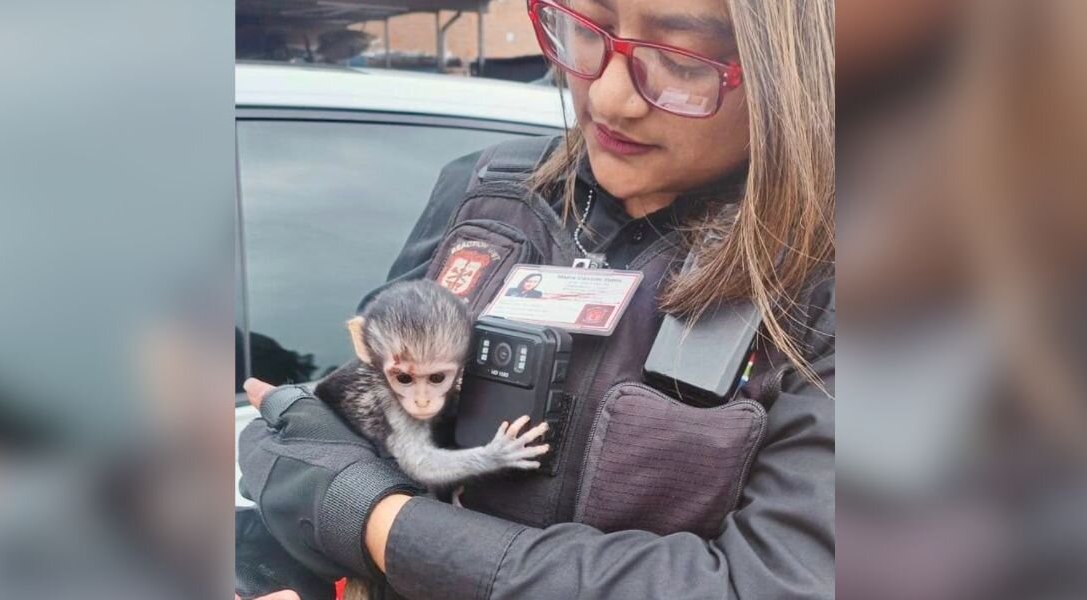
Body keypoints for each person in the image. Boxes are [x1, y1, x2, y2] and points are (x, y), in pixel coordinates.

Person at [238, 0, 834, 598]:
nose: (607, 100)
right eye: (586, 30)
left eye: (679, 61)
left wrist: (379, 521)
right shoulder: (487, 194)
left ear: (791, 71)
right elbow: (317, 438)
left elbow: (770, 583)